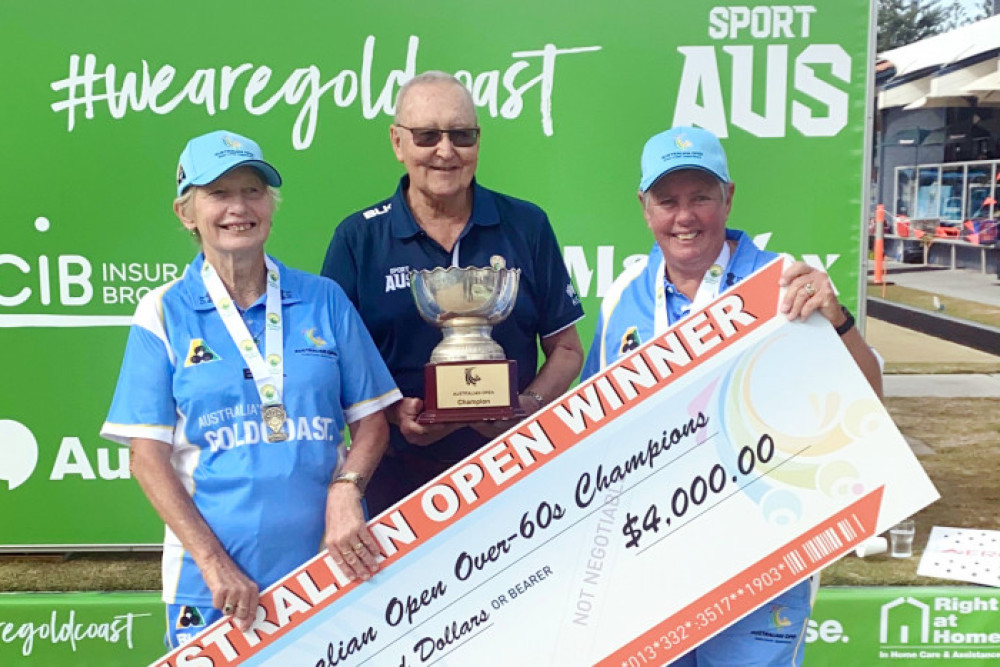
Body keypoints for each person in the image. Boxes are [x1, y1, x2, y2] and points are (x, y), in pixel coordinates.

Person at [582, 126, 883, 666]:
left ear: (729, 197)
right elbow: (591, 429)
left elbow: (868, 397)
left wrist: (838, 321)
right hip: (652, 560)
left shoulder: (784, 282)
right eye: (667, 200)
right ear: (644, 207)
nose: (685, 217)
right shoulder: (622, 298)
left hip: (761, 553)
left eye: (701, 196)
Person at [101, 130, 401, 647]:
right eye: (218, 194)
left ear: (270, 204)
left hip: (331, 567)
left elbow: (372, 421)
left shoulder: (323, 298)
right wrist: (215, 566)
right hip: (212, 588)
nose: (239, 207)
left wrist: (347, 489)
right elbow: (146, 457)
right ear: (186, 213)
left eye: (253, 191)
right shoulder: (162, 312)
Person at [322, 71, 585, 516]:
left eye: (461, 135)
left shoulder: (526, 224)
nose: (445, 152)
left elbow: (566, 349)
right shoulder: (359, 238)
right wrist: (390, 411)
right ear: (397, 142)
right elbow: (333, 366)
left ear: (478, 142)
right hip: (397, 480)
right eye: (427, 136)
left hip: (513, 470)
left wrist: (526, 406)